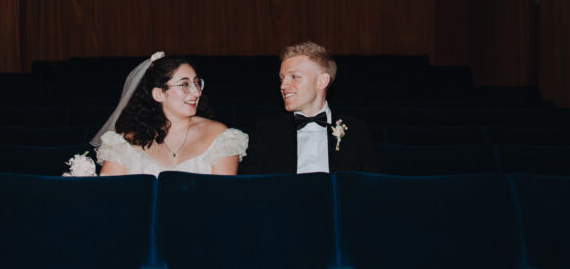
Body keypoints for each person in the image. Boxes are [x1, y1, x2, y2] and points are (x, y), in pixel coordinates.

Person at [91, 52, 248, 176]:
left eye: (197, 83)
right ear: (159, 94)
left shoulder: (220, 136)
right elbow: (111, 199)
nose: (196, 92)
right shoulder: (123, 144)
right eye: (184, 85)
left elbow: (223, 199)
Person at [241, 41, 379, 174]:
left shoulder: (356, 131)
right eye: (282, 79)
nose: (283, 86)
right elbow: (253, 187)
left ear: (322, 81)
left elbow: (368, 188)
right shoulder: (266, 131)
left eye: (294, 77)